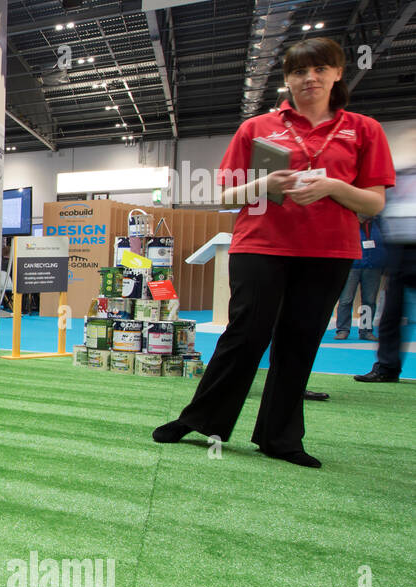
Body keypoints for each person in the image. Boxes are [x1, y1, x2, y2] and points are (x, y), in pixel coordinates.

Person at [153, 38, 394, 467]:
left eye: (321, 68)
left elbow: (374, 202)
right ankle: (201, 420)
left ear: (338, 74)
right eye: (300, 71)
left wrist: (335, 187)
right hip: (260, 244)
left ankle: (279, 437)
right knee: (245, 335)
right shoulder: (258, 128)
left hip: (328, 251)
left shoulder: (364, 129)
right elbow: (224, 193)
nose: (310, 78)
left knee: (299, 341)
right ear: (287, 79)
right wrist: (267, 185)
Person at [354, 155, 415, 383]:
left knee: (392, 313)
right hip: (399, 248)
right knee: (391, 313)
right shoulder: (396, 176)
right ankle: (387, 368)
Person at [333, 216, 384, 340]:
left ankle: (366, 330)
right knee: (346, 299)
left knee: (369, 301)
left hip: (373, 266)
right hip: (351, 266)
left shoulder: (379, 222)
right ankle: (343, 330)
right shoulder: (348, 221)